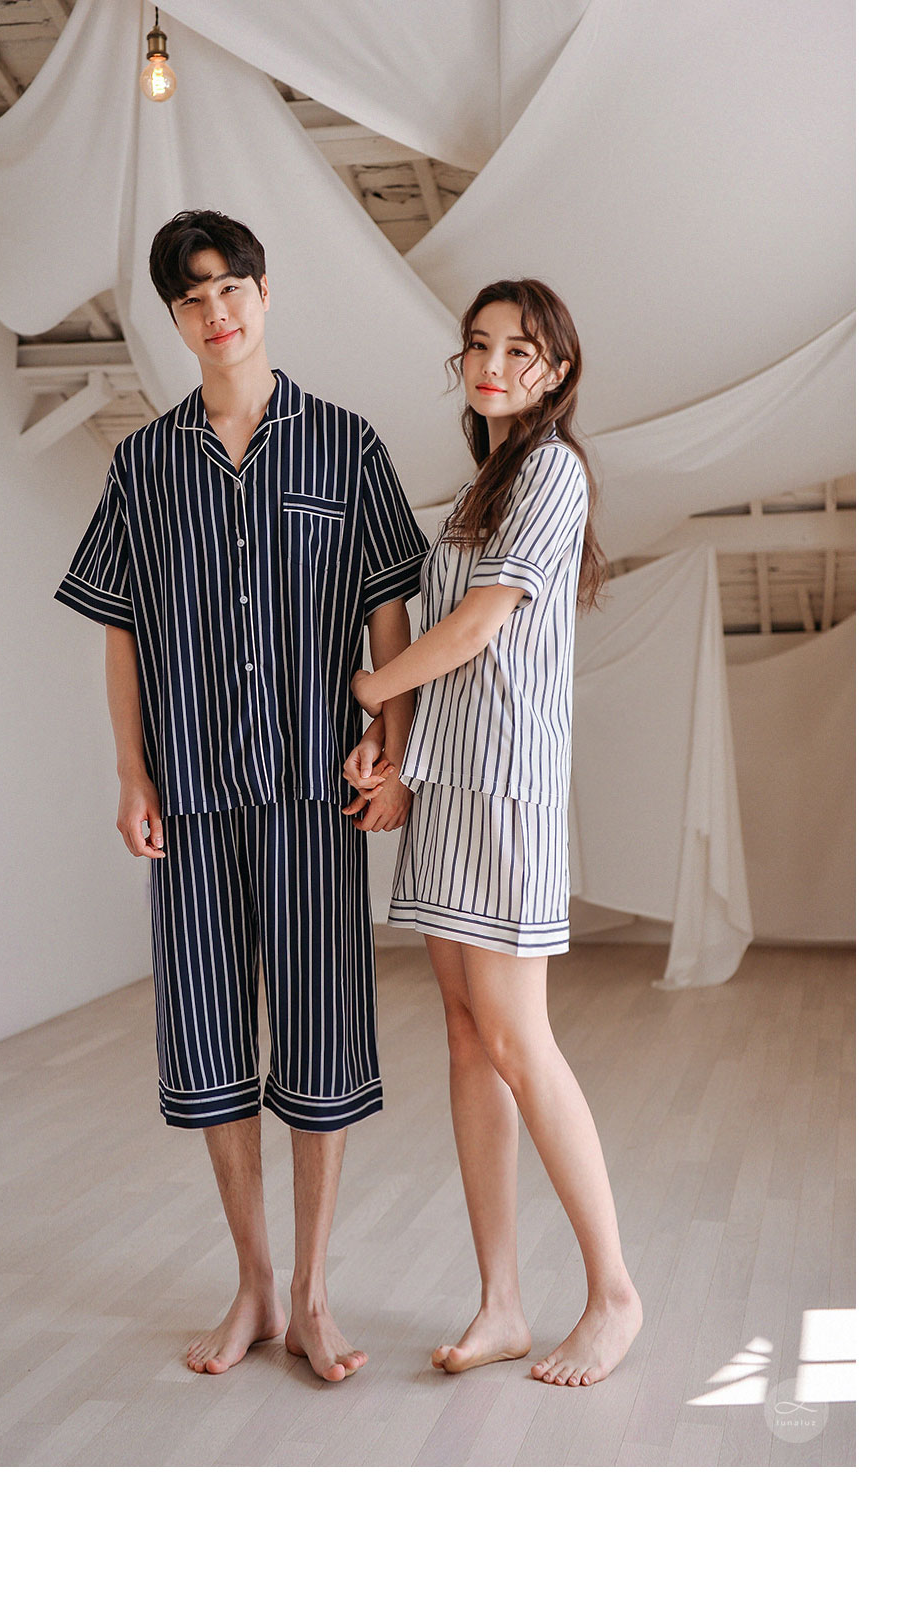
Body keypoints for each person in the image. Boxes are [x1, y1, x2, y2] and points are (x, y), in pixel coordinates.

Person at [55, 210, 426, 1383]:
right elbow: (118, 626)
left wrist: (391, 745)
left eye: (231, 288)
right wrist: (131, 772)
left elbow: (387, 612)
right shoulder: (143, 465)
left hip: (315, 793)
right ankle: (254, 1284)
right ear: (173, 318)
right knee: (208, 1042)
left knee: (320, 1041)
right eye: (192, 297)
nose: (216, 312)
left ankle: (313, 1291)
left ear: (264, 294)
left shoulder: (345, 445)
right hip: (192, 799)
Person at [347, 280, 643, 1386]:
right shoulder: (484, 486)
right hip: (448, 785)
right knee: (469, 1041)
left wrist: (369, 685)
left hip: (506, 788)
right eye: (478, 345)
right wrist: (389, 739)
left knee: (520, 1042)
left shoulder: (553, 470)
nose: (493, 364)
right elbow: (446, 635)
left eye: (520, 350)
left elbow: (477, 624)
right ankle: (502, 1305)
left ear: (556, 370)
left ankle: (613, 1294)